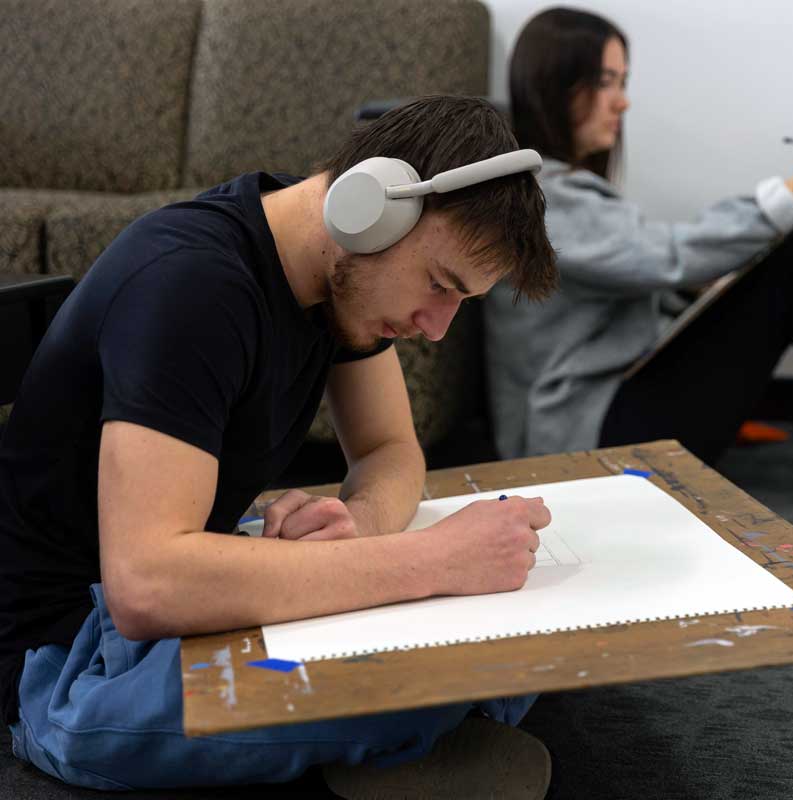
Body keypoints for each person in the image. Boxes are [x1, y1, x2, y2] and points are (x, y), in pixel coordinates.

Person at [0, 96, 560, 796]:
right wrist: (421, 561)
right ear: (372, 208)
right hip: (70, 661)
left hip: (183, 591)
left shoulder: (337, 280)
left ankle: (393, 735)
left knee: (511, 636)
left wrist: (358, 533)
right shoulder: (193, 289)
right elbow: (145, 583)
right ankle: (407, 733)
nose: (437, 326)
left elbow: (389, 450)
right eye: (440, 285)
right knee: (440, 669)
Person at [485, 8, 793, 464]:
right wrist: (790, 194)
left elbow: (660, 267)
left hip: (606, 408)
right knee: (792, 259)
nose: (622, 101)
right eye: (606, 81)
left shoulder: (556, 189)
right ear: (556, 86)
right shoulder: (538, 198)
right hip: (576, 436)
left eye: (622, 81)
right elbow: (668, 255)